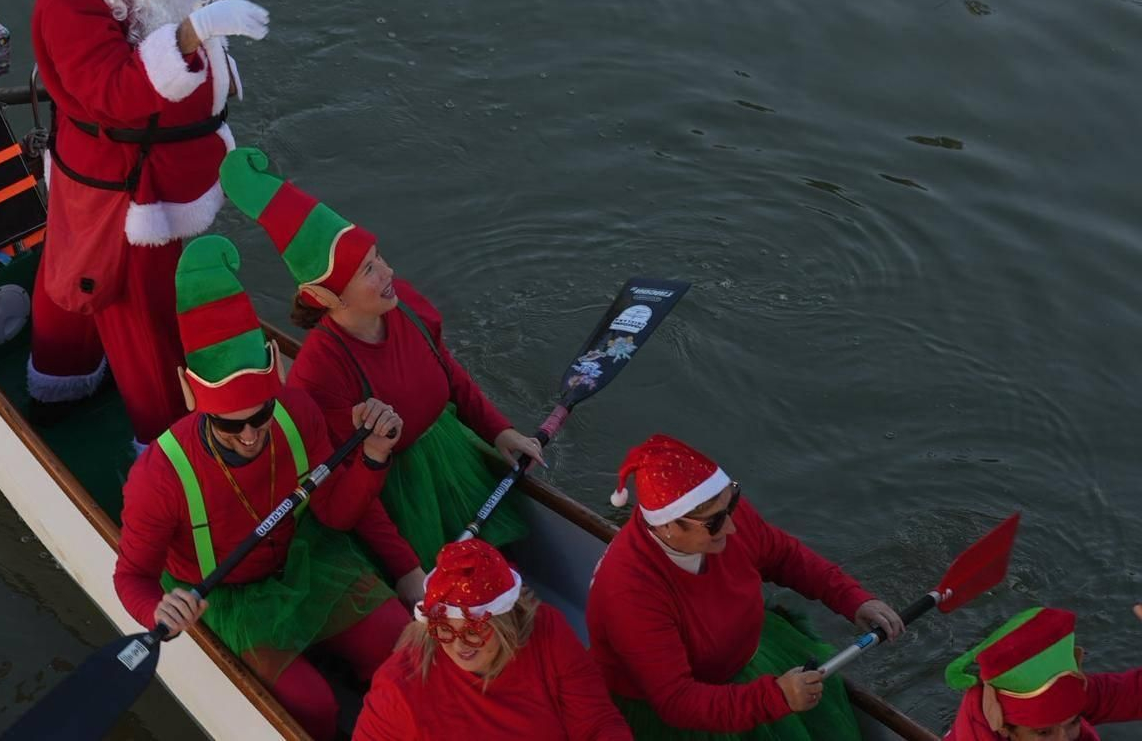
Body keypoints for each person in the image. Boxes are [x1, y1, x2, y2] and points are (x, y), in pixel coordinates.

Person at [3, 0, 271, 442]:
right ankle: (168, 445)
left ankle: (61, 380)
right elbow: (113, 91)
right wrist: (192, 31)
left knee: (75, 281)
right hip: (127, 191)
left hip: (143, 169)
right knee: (140, 312)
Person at [112, 234, 411, 741]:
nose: (249, 436)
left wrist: (374, 457)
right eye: (230, 426)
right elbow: (131, 577)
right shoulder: (161, 475)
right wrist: (158, 610)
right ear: (194, 398)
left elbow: (337, 517)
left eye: (261, 415)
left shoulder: (298, 413)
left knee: (405, 648)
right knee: (312, 710)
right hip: (228, 598)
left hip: (307, 562)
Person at [218, 145, 544, 603]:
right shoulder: (317, 375)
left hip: (446, 453)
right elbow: (342, 482)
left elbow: (446, 369)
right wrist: (407, 568)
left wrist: (500, 431)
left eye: (379, 257)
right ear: (329, 298)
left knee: (500, 571)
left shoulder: (402, 302)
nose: (388, 272)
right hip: (392, 493)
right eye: (369, 269)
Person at [586, 434, 906, 739]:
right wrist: (775, 698)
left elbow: (783, 556)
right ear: (667, 526)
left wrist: (852, 598)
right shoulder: (630, 593)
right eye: (714, 522)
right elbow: (678, 701)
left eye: (732, 503)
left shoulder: (722, 516)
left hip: (747, 658)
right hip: (684, 710)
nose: (732, 526)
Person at [354, 538, 633, 740]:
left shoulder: (546, 630)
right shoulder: (397, 692)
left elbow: (597, 723)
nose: (459, 644)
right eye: (444, 628)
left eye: (473, 631)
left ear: (507, 621)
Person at [943, 606, 1142, 740]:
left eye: (1074, 722)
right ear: (1005, 729)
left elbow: (1132, 693)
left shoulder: (1063, 703)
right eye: (1044, 733)